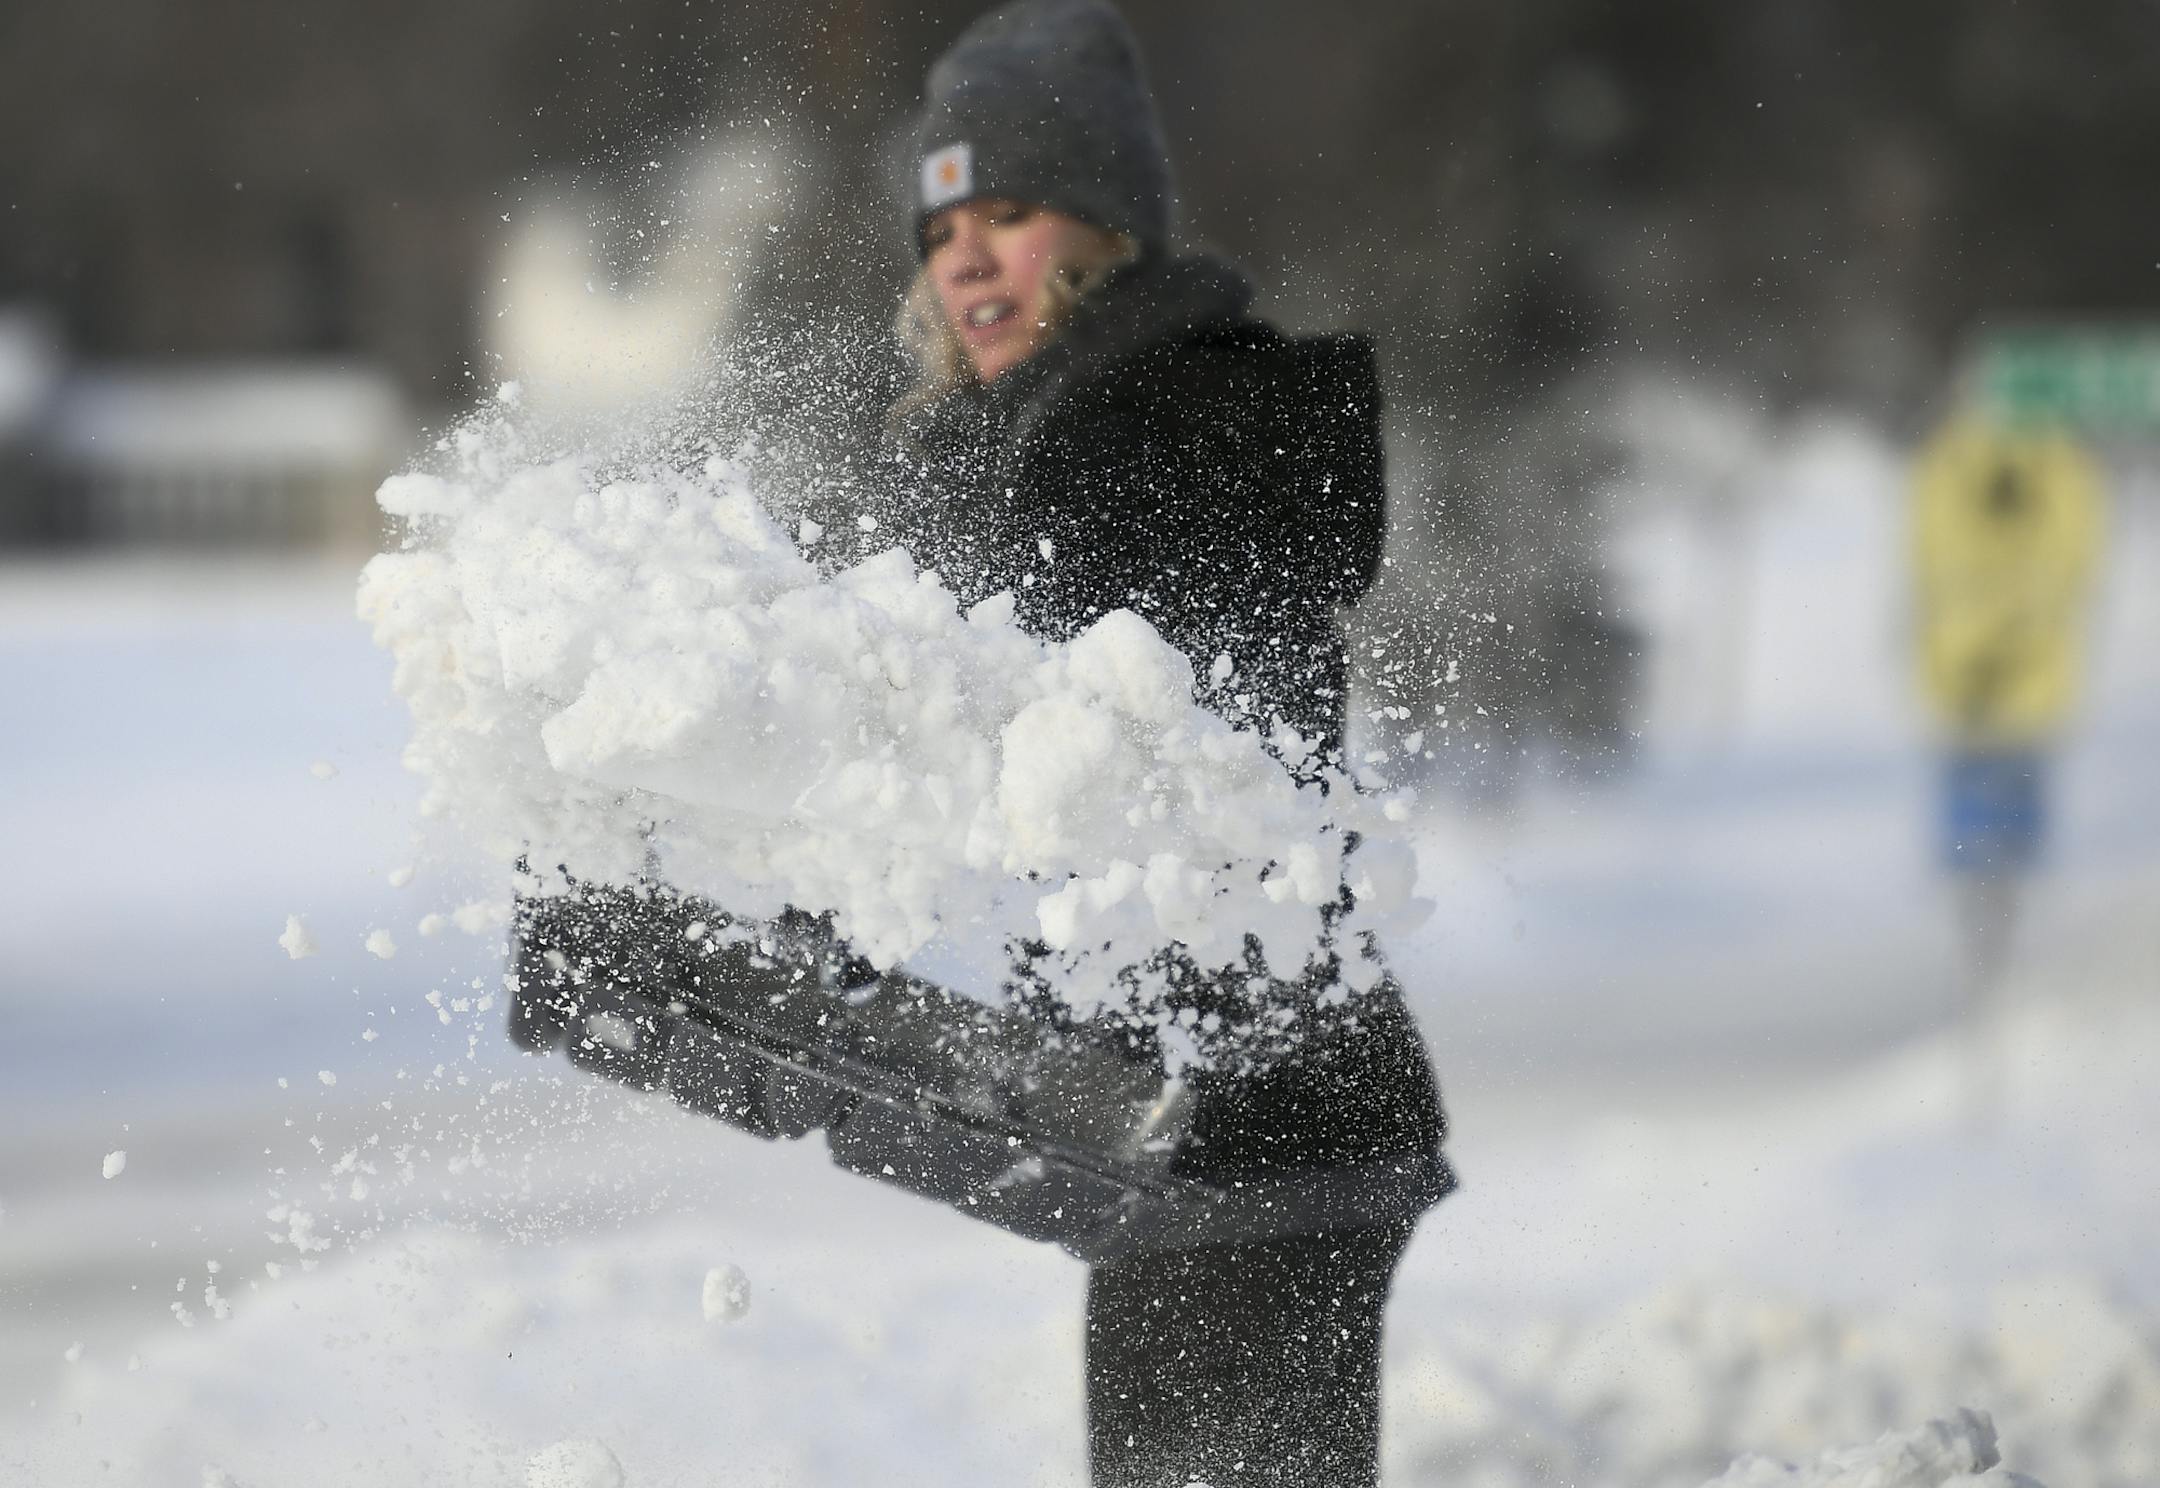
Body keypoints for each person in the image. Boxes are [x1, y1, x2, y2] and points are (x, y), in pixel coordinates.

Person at [861, 4, 1454, 1483]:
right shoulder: (1038, 441)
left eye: (1012, 214)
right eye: (944, 233)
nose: (969, 262)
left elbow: (1138, 723)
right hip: (1194, 1124)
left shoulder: (1185, 424)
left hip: (1269, 1118)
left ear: (1108, 229)